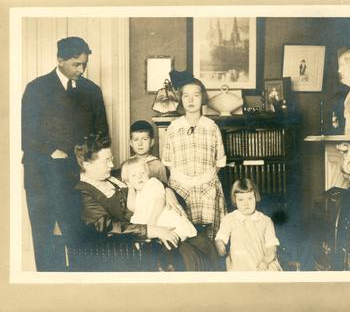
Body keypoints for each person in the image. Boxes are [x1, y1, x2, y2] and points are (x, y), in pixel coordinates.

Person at [21, 36, 109, 271]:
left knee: (81, 237)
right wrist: (53, 151)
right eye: (76, 64)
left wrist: (90, 160)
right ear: (60, 60)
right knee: (45, 239)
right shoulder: (36, 89)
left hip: (78, 178)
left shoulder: (92, 91)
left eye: (85, 64)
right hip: (42, 177)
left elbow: (102, 134)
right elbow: (27, 133)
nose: (82, 70)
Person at [75, 133, 219, 271]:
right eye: (106, 161)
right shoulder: (82, 193)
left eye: (111, 159)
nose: (112, 165)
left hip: (153, 233)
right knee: (184, 256)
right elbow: (107, 226)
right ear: (87, 165)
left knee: (204, 245)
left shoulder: (116, 176)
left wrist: (168, 193)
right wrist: (151, 230)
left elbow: (153, 185)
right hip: (127, 247)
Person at [162, 72, 227, 240]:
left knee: (209, 236)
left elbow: (219, 161)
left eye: (196, 95)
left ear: (202, 98)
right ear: (181, 99)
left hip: (206, 186)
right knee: (183, 232)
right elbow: (168, 161)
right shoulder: (174, 127)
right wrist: (183, 180)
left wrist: (205, 179)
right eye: (186, 96)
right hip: (181, 187)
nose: (191, 100)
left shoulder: (211, 127)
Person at [121, 157, 197, 242]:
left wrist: (152, 222)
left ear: (148, 174)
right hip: (150, 223)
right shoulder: (137, 192)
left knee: (176, 232)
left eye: (142, 173)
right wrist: (130, 187)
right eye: (133, 175)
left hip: (160, 216)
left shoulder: (152, 183)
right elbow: (132, 207)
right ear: (128, 180)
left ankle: (179, 237)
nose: (139, 177)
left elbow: (159, 201)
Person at [215, 179, 282, 271]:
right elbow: (221, 237)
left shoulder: (265, 221)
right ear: (235, 200)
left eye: (250, 198)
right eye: (241, 199)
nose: (246, 203)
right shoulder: (229, 219)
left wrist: (265, 261)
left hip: (262, 265)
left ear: (256, 197)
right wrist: (220, 244)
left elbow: (272, 249)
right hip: (239, 265)